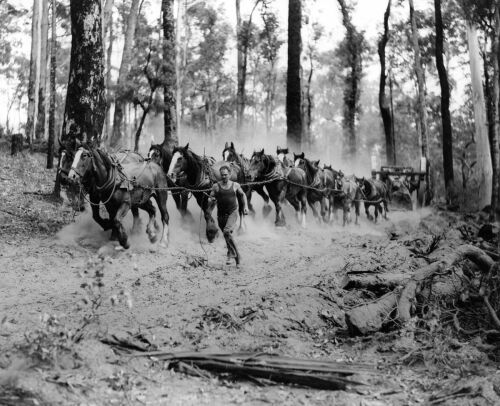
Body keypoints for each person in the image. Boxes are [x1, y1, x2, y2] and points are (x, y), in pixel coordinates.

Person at [209, 165, 249, 266]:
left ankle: (237, 256)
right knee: (226, 235)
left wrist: (246, 207)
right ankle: (230, 252)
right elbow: (210, 197)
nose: (224, 177)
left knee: (227, 232)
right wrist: (211, 200)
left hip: (232, 212)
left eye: (226, 175)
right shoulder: (216, 186)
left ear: (230, 174)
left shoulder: (235, 185)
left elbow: (243, 194)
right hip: (221, 214)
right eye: (222, 175)